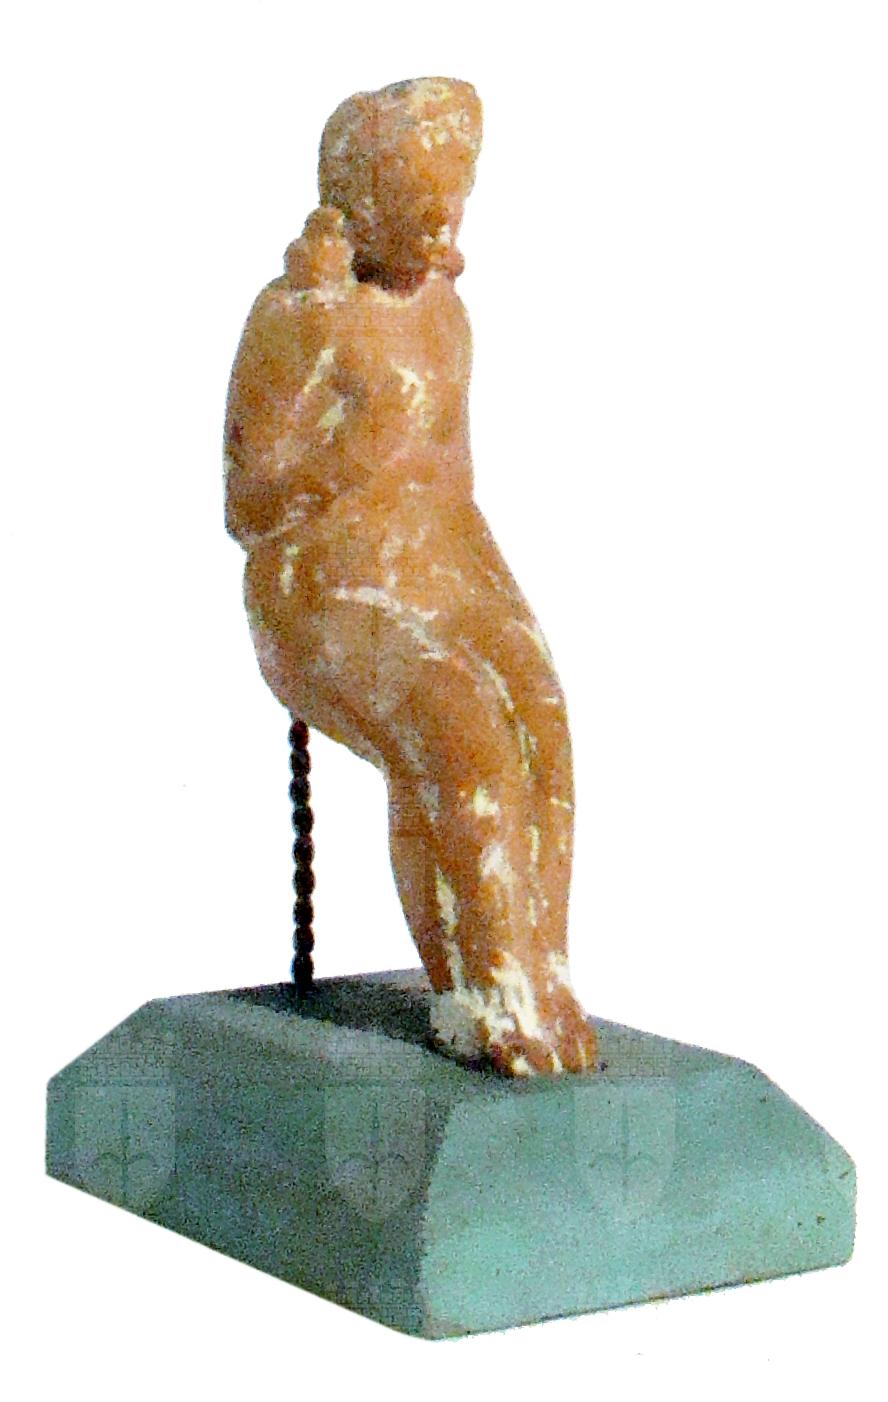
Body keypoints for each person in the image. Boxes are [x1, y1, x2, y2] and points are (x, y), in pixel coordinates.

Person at [224, 78, 597, 1075]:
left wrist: (504, 616)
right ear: (359, 206)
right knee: (461, 728)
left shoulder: (447, 317)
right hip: (318, 583)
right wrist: (355, 456)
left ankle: (541, 971)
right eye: (420, 209)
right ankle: (485, 989)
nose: (443, 231)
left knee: (541, 726)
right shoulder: (302, 313)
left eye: (454, 206)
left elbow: (454, 488)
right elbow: (247, 503)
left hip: (444, 561)